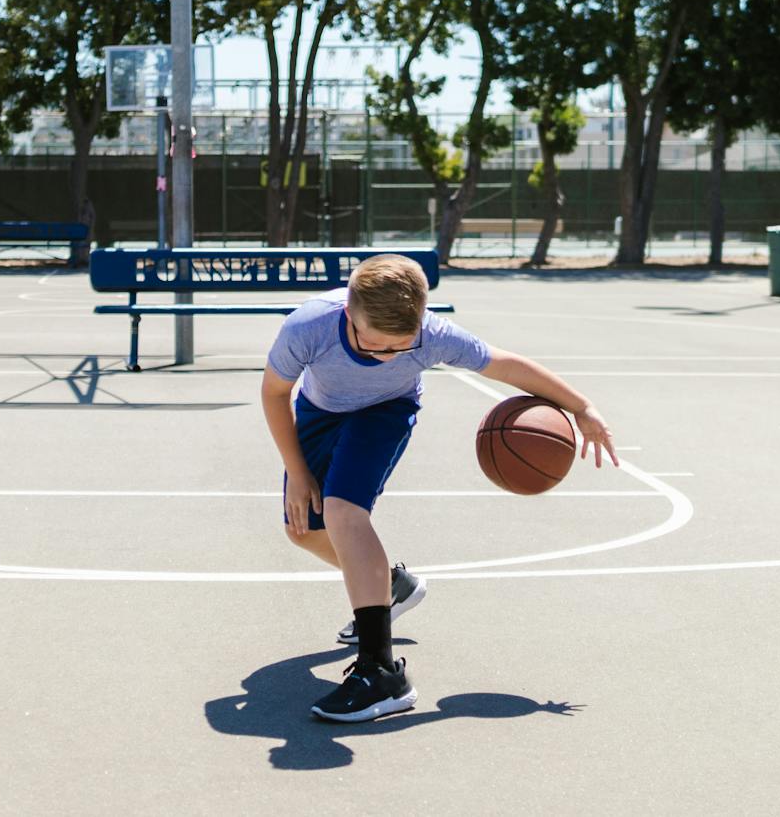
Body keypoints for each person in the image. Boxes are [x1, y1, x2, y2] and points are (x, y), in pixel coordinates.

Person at [261, 254, 619, 722]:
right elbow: (273, 393)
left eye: (398, 349)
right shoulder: (307, 328)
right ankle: (389, 584)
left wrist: (582, 406)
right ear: (349, 315)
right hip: (318, 411)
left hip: (384, 412)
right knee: (302, 530)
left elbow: (506, 366)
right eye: (373, 347)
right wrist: (297, 470)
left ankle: (381, 673)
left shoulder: (433, 335)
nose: (386, 356)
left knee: (344, 511)